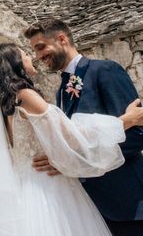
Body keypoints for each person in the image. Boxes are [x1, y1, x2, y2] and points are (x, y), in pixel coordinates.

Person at [0, 42, 143, 236]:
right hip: (47, 187)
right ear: (17, 63)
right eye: (26, 55)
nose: (33, 58)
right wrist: (125, 121)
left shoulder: (6, 106)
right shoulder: (27, 96)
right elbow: (70, 135)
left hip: (27, 185)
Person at [25, 19, 143, 235]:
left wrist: (73, 161)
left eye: (41, 47)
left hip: (129, 203)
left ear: (62, 39)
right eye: (34, 51)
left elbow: (137, 135)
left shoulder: (105, 70)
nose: (38, 56)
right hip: (93, 208)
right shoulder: (62, 89)